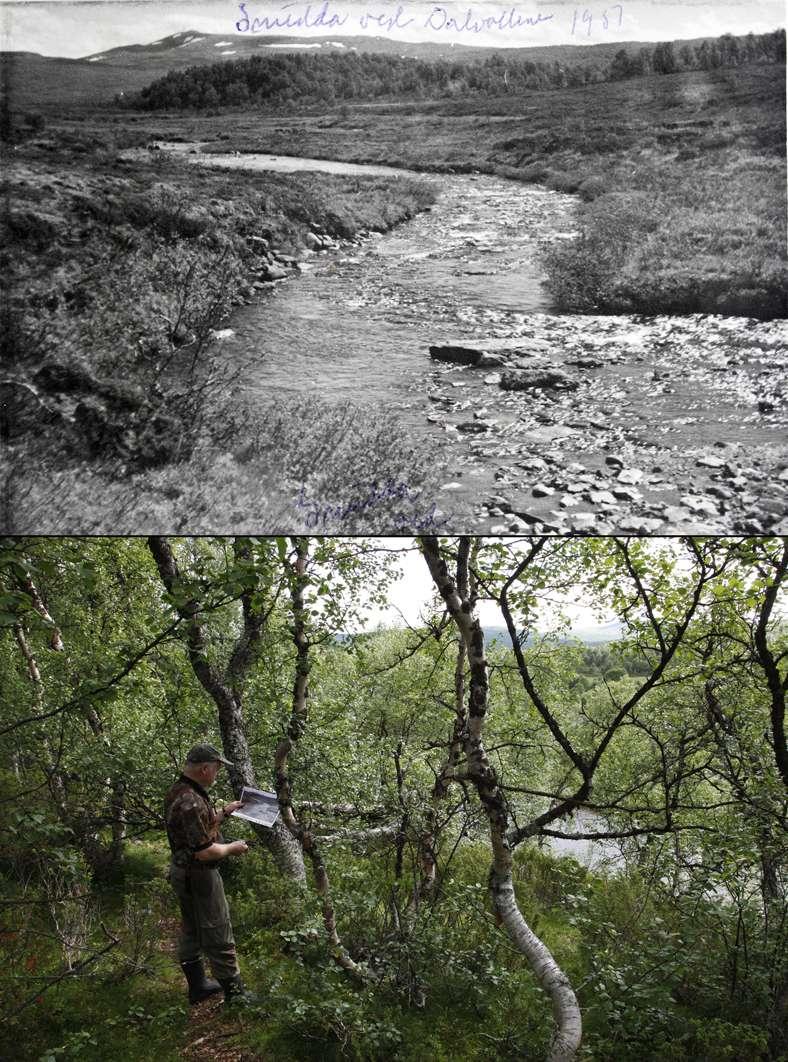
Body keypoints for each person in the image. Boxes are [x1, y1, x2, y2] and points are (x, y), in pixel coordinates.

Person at [164, 743, 255, 1005]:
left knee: (191, 929)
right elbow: (204, 851)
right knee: (218, 930)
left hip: (184, 872)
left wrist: (224, 812)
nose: (217, 774)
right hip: (199, 876)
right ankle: (236, 997)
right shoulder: (190, 801)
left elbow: (196, 830)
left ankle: (198, 986)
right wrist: (232, 848)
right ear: (205, 769)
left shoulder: (181, 791)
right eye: (216, 768)